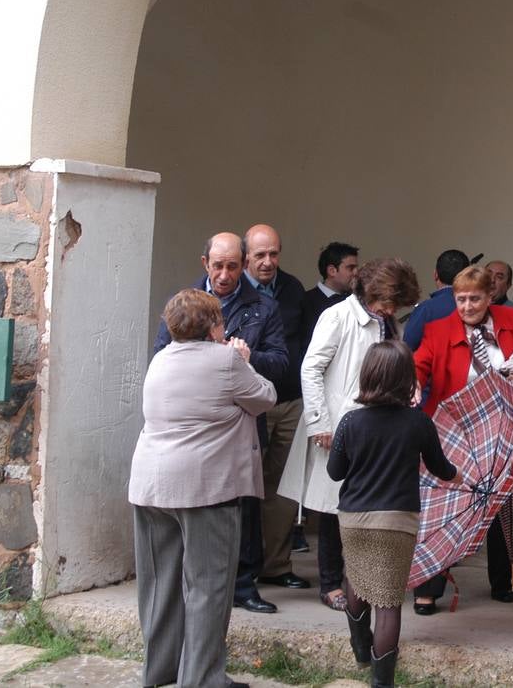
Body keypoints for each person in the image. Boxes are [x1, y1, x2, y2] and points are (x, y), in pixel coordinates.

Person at [129, 289, 276, 688]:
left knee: (159, 586)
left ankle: (159, 673)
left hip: (150, 484)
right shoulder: (226, 359)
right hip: (205, 487)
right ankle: (202, 679)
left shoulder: (161, 358)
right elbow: (265, 397)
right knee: (208, 585)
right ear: (215, 325)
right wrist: (245, 359)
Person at [152, 231, 288, 615]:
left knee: (244, 505)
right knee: (196, 508)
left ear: (243, 264)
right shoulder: (183, 304)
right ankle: (194, 588)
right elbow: (162, 354)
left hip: (242, 422)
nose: (224, 274)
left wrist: (247, 358)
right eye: (217, 266)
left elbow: (280, 363)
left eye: (232, 266)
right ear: (204, 264)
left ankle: (244, 585)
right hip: (194, 422)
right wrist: (209, 357)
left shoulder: (262, 307)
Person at [279, 258, 422, 612]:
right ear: (371, 292)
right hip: (338, 425)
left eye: (395, 305)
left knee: (366, 505)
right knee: (333, 508)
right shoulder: (338, 316)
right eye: (388, 302)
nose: (391, 310)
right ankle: (330, 583)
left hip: (377, 428)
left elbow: (394, 363)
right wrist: (320, 423)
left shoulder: (386, 322)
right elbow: (310, 368)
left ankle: (360, 579)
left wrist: (410, 386)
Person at [328, 340, 458, 688]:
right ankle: (381, 682)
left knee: (355, 580)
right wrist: (456, 474)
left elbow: (334, 472)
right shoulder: (418, 423)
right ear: (407, 379)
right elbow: (440, 468)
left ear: (368, 375)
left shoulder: (350, 423)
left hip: (353, 518)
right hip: (396, 522)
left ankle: (360, 647)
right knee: (388, 603)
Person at [411, 265, 513, 612]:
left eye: (475, 299)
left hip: (498, 429)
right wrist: (412, 384)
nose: (467, 306)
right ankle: (429, 586)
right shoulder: (437, 330)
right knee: (442, 508)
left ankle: (502, 581)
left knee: (498, 502)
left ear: (490, 296)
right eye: (461, 299)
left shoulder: (511, 318)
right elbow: (419, 365)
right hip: (452, 429)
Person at [243, 223, 314, 596]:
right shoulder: (233, 290)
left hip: (287, 401)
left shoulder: (291, 289)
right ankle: (242, 569)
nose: (268, 262)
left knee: (282, 489)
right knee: (243, 486)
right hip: (246, 405)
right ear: (245, 257)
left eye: (273, 254)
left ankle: (275, 566)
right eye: (260, 255)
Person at [402, 249, 470, 351]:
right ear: (469, 276)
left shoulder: (426, 309)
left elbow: (406, 348)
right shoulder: (477, 307)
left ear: (435, 274)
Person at [303, 241, 360, 342]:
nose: (356, 273)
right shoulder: (306, 302)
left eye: (356, 268)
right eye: (351, 268)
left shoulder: (357, 300)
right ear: (332, 271)